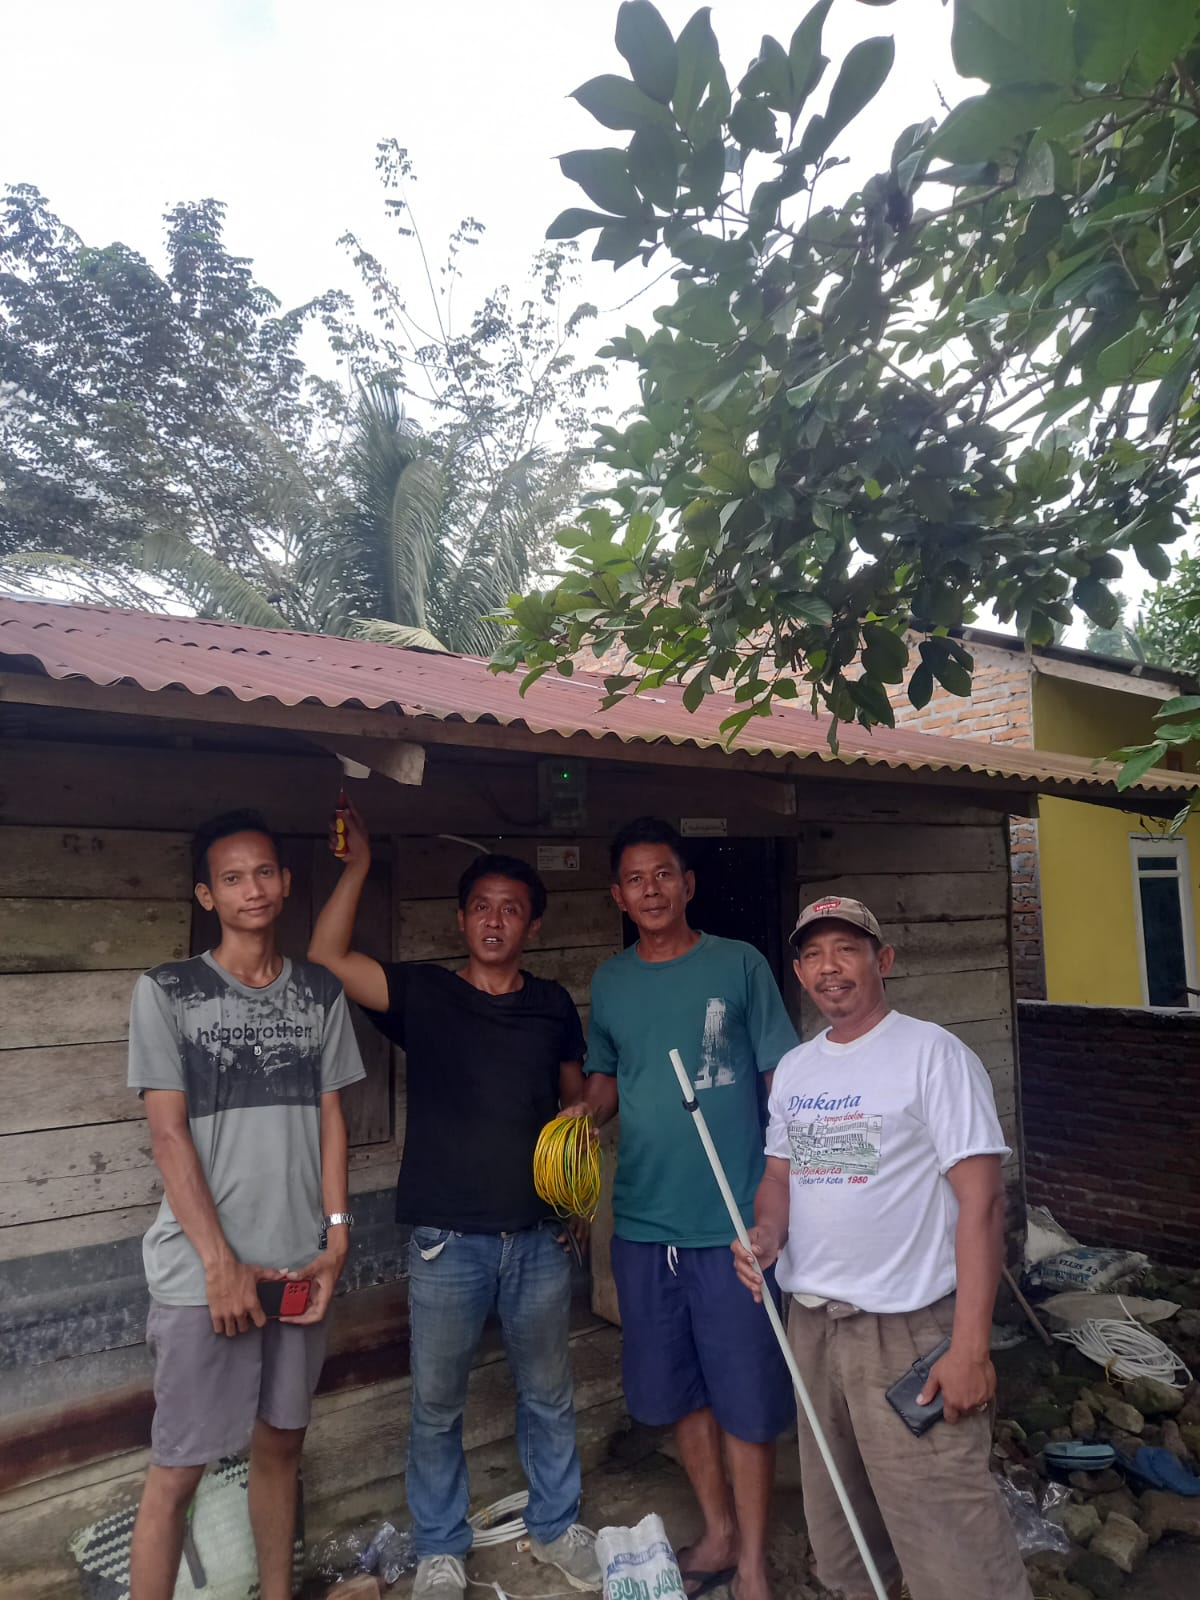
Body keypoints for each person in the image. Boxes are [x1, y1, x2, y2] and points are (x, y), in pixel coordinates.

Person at [307, 804, 601, 1600]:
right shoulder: (424, 993)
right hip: (445, 1244)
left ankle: (555, 1525)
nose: (495, 920)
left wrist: (578, 1201)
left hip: (539, 1238)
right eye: (482, 907)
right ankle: (441, 1548)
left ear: (532, 924)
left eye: (511, 909)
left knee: (548, 1395)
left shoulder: (552, 1005)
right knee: (436, 1406)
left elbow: (575, 1111)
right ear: (461, 919)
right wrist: (359, 865)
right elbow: (326, 956)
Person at [732, 894, 1034, 1600]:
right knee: (846, 1536)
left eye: (846, 949)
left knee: (952, 1544)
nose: (829, 967)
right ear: (799, 973)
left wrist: (971, 1349)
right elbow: (779, 1177)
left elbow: (983, 1203)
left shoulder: (934, 1055)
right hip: (812, 1327)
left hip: (907, 1333)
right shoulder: (796, 1070)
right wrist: (768, 1234)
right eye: (813, 954)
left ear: (883, 960)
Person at [127, 810, 365, 1600]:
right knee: (178, 1469)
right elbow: (168, 1137)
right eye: (231, 878)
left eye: (264, 872)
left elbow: (332, 1117)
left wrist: (336, 1239)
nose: (251, 889)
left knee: (282, 1445)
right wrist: (220, 1266)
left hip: (298, 1263)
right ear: (207, 895)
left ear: (286, 883)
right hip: (205, 1276)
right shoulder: (168, 992)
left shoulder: (320, 993)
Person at [569, 817, 798, 1600]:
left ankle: (754, 1563)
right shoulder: (611, 982)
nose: (651, 890)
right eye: (635, 880)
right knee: (681, 1392)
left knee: (746, 1397)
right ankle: (719, 1532)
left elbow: (781, 1083)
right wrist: (580, 1117)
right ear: (618, 896)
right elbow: (606, 1081)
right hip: (643, 1223)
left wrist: (785, 1196)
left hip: (732, 1225)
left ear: (688, 884)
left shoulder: (739, 965)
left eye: (663, 874)